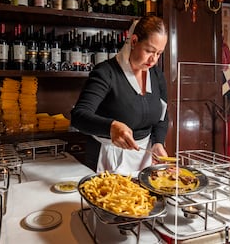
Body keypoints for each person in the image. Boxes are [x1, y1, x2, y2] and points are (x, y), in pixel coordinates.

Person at [70, 15, 169, 176]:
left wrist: (158, 142)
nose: (154, 60)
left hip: (145, 157)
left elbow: (163, 115)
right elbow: (79, 116)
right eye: (149, 51)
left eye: (159, 53)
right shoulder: (106, 72)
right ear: (134, 41)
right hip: (109, 157)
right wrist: (111, 127)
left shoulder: (156, 75)